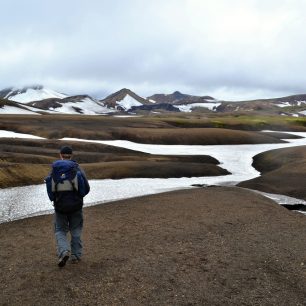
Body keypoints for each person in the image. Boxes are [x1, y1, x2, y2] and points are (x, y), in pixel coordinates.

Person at [45, 146, 90, 267]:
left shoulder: (54, 170)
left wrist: (56, 199)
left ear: (60, 155)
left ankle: (64, 251)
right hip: (76, 206)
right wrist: (79, 197)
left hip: (60, 206)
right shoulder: (77, 169)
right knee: (75, 230)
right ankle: (75, 256)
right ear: (71, 155)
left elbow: (50, 193)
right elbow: (86, 189)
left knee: (60, 230)